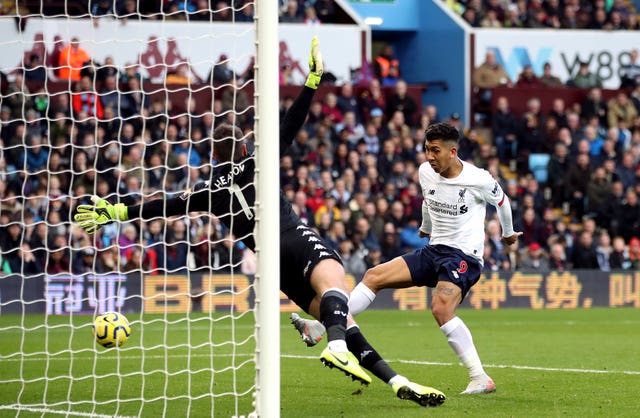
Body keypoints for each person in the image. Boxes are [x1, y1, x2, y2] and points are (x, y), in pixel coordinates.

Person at [74, 37, 445, 407]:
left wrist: (119, 210)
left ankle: (396, 381)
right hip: (293, 237)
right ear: (243, 148)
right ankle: (333, 346)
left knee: (341, 319)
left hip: (271, 265)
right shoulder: (257, 161)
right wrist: (312, 81)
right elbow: (291, 124)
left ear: (215, 156)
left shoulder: (206, 190)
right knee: (336, 283)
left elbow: (166, 206)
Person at [292, 122, 522, 395]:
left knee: (441, 309)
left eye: (436, 151)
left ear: (453, 151)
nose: (430, 157)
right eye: (427, 150)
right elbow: (428, 199)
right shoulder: (425, 171)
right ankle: (321, 326)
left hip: (463, 257)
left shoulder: (478, 178)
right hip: (434, 250)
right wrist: (426, 226)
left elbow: (502, 201)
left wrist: (507, 234)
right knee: (373, 277)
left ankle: (479, 377)